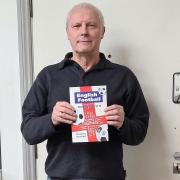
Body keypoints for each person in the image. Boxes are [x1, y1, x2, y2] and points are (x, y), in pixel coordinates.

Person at [21, 2, 149, 180]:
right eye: (76, 26)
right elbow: (28, 132)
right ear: (68, 32)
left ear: (102, 31)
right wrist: (51, 119)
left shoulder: (123, 77)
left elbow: (140, 133)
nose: (84, 31)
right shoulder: (48, 76)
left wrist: (123, 123)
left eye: (91, 25)